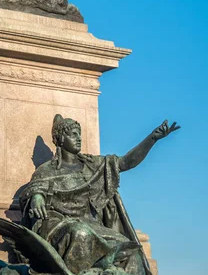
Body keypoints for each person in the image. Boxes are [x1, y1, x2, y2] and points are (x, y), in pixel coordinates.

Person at [20, 114, 180, 275]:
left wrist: (152, 138)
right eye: (73, 134)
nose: (79, 138)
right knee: (81, 233)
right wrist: (37, 198)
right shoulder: (47, 170)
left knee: (130, 250)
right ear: (61, 138)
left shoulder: (93, 165)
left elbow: (125, 162)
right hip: (62, 226)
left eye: (79, 134)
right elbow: (35, 190)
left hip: (93, 225)